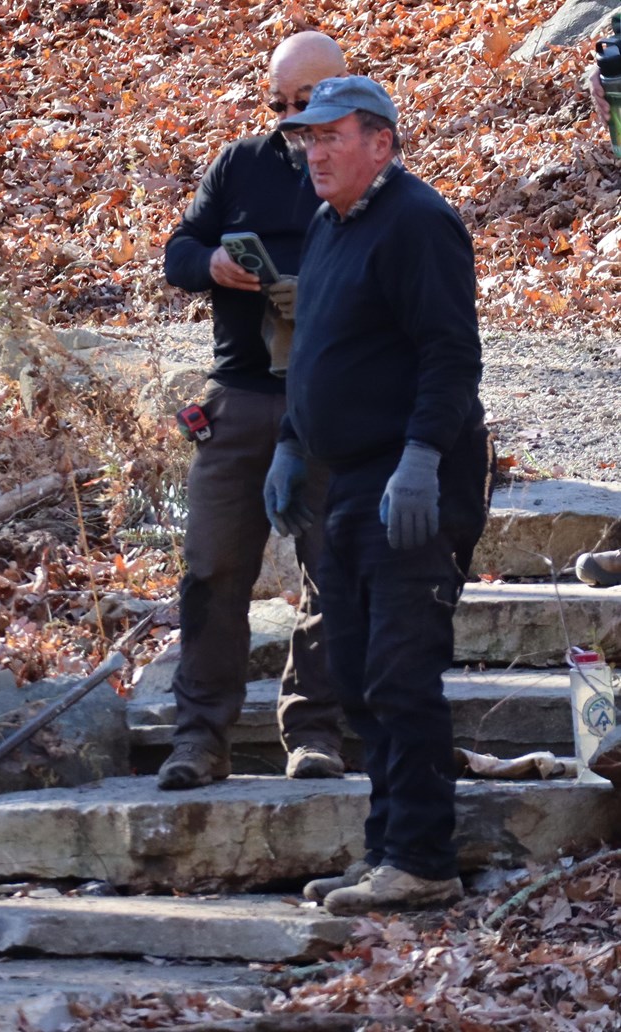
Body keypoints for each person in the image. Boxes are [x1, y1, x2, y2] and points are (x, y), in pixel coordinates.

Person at [264, 76, 492, 915]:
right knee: (357, 675)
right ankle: (384, 852)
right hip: (350, 481)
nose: (314, 152)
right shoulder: (330, 225)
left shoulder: (419, 223)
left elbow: (450, 356)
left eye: (330, 138)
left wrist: (424, 456)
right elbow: (313, 348)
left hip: (416, 486)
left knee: (402, 672)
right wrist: (291, 443)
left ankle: (425, 860)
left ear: (381, 144)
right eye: (305, 140)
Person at [157, 31, 349, 791]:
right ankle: (200, 738)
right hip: (239, 397)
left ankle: (316, 731)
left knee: (334, 577)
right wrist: (213, 265)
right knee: (211, 570)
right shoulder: (241, 163)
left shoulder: (365, 169)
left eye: (309, 104)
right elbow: (178, 249)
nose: (294, 121)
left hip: (331, 402)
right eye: (281, 106)